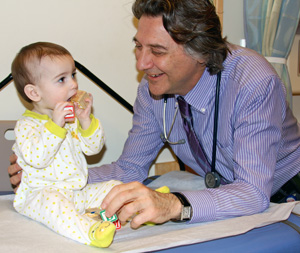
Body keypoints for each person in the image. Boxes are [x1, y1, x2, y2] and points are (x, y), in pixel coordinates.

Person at [8, 0, 300, 230]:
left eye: (157, 50)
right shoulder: (152, 89)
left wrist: (172, 205)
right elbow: (129, 169)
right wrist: (49, 178)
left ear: (200, 50)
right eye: (138, 46)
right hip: (225, 193)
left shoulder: (252, 83)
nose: (142, 63)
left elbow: (251, 192)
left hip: (287, 192)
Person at [10, 42, 122, 247]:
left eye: (73, 75)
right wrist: (55, 125)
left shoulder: (71, 119)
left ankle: (137, 206)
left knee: (114, 187)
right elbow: (37, 159)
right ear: (34, 93)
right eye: (61, 79)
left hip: (77, 191)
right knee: (56, 207)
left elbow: (94, 149)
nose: (73, 85)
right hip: (40, 195)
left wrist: (86, 120)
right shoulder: (26, 125)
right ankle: (90, 232)